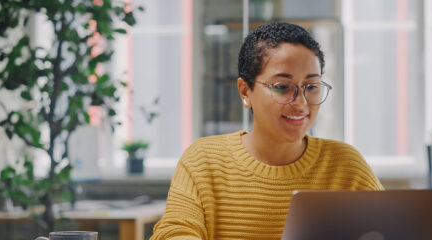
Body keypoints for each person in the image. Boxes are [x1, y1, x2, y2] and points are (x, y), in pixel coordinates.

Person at [150, 22, 383, 240]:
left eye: (311, 87)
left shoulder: (345, 165)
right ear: (245, 91)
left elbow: (390, 229)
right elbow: (174, 231)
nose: (301, 103)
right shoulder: (204, 160)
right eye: (282, 87)